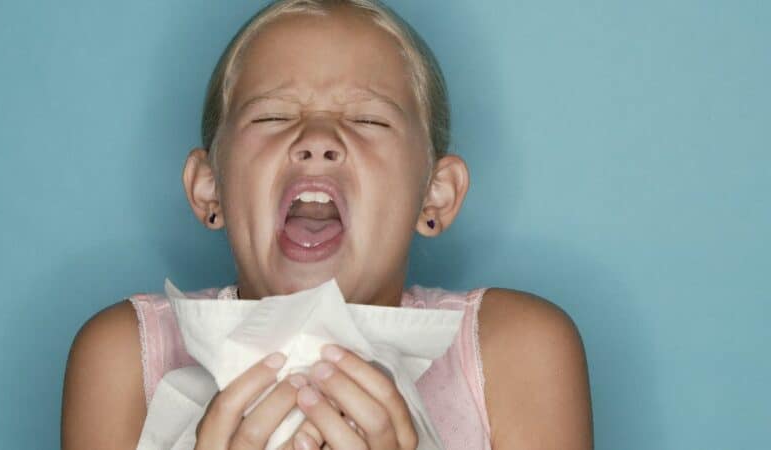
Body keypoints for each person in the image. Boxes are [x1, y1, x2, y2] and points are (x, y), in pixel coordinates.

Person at [61, 1, 593, 449]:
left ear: (436, 195)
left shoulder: (513, 350)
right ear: (209, 189)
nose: (317, 138)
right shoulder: (125, 358)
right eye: (272, 117)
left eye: (368, 120)